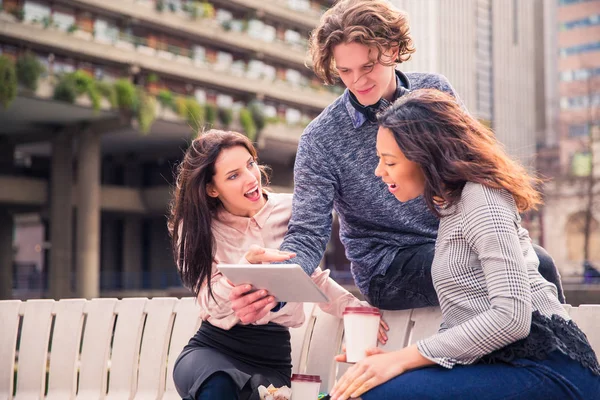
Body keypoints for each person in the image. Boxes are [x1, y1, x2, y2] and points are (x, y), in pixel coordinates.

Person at [229, 0, 564, 322]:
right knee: (525, 269)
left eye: (367, 66)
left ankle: (560, 359)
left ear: (392, 49)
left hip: (457, 240)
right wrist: (276, 286)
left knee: (538, 261)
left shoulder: (434, 91)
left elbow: (477, 167)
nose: (357, 81)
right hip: (388, 267)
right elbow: (307, 233)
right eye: (345, 70)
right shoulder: (320, 140)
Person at [328, 89, 600, 400]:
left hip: (550, 370)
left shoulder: (481, 196)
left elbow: (512, 318)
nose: (379, 171)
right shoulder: (450, 208)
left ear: (424, 156)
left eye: (388, 161)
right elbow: (467, 324)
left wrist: (401, 359)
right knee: (370, 388)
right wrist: (394, 361)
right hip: (503, 365)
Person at [167, 129, 387, 400]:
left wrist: (358, 310)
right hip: (211, 348)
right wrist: (243, 267)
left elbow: (309, 279)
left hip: (271, 357)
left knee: (257, 394)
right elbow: (209, 301)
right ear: (212, 189)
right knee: (219, 384)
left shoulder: (292, 210)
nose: (250, 178)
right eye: (233, 175)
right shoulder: (196, 228)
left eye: (250, 164)